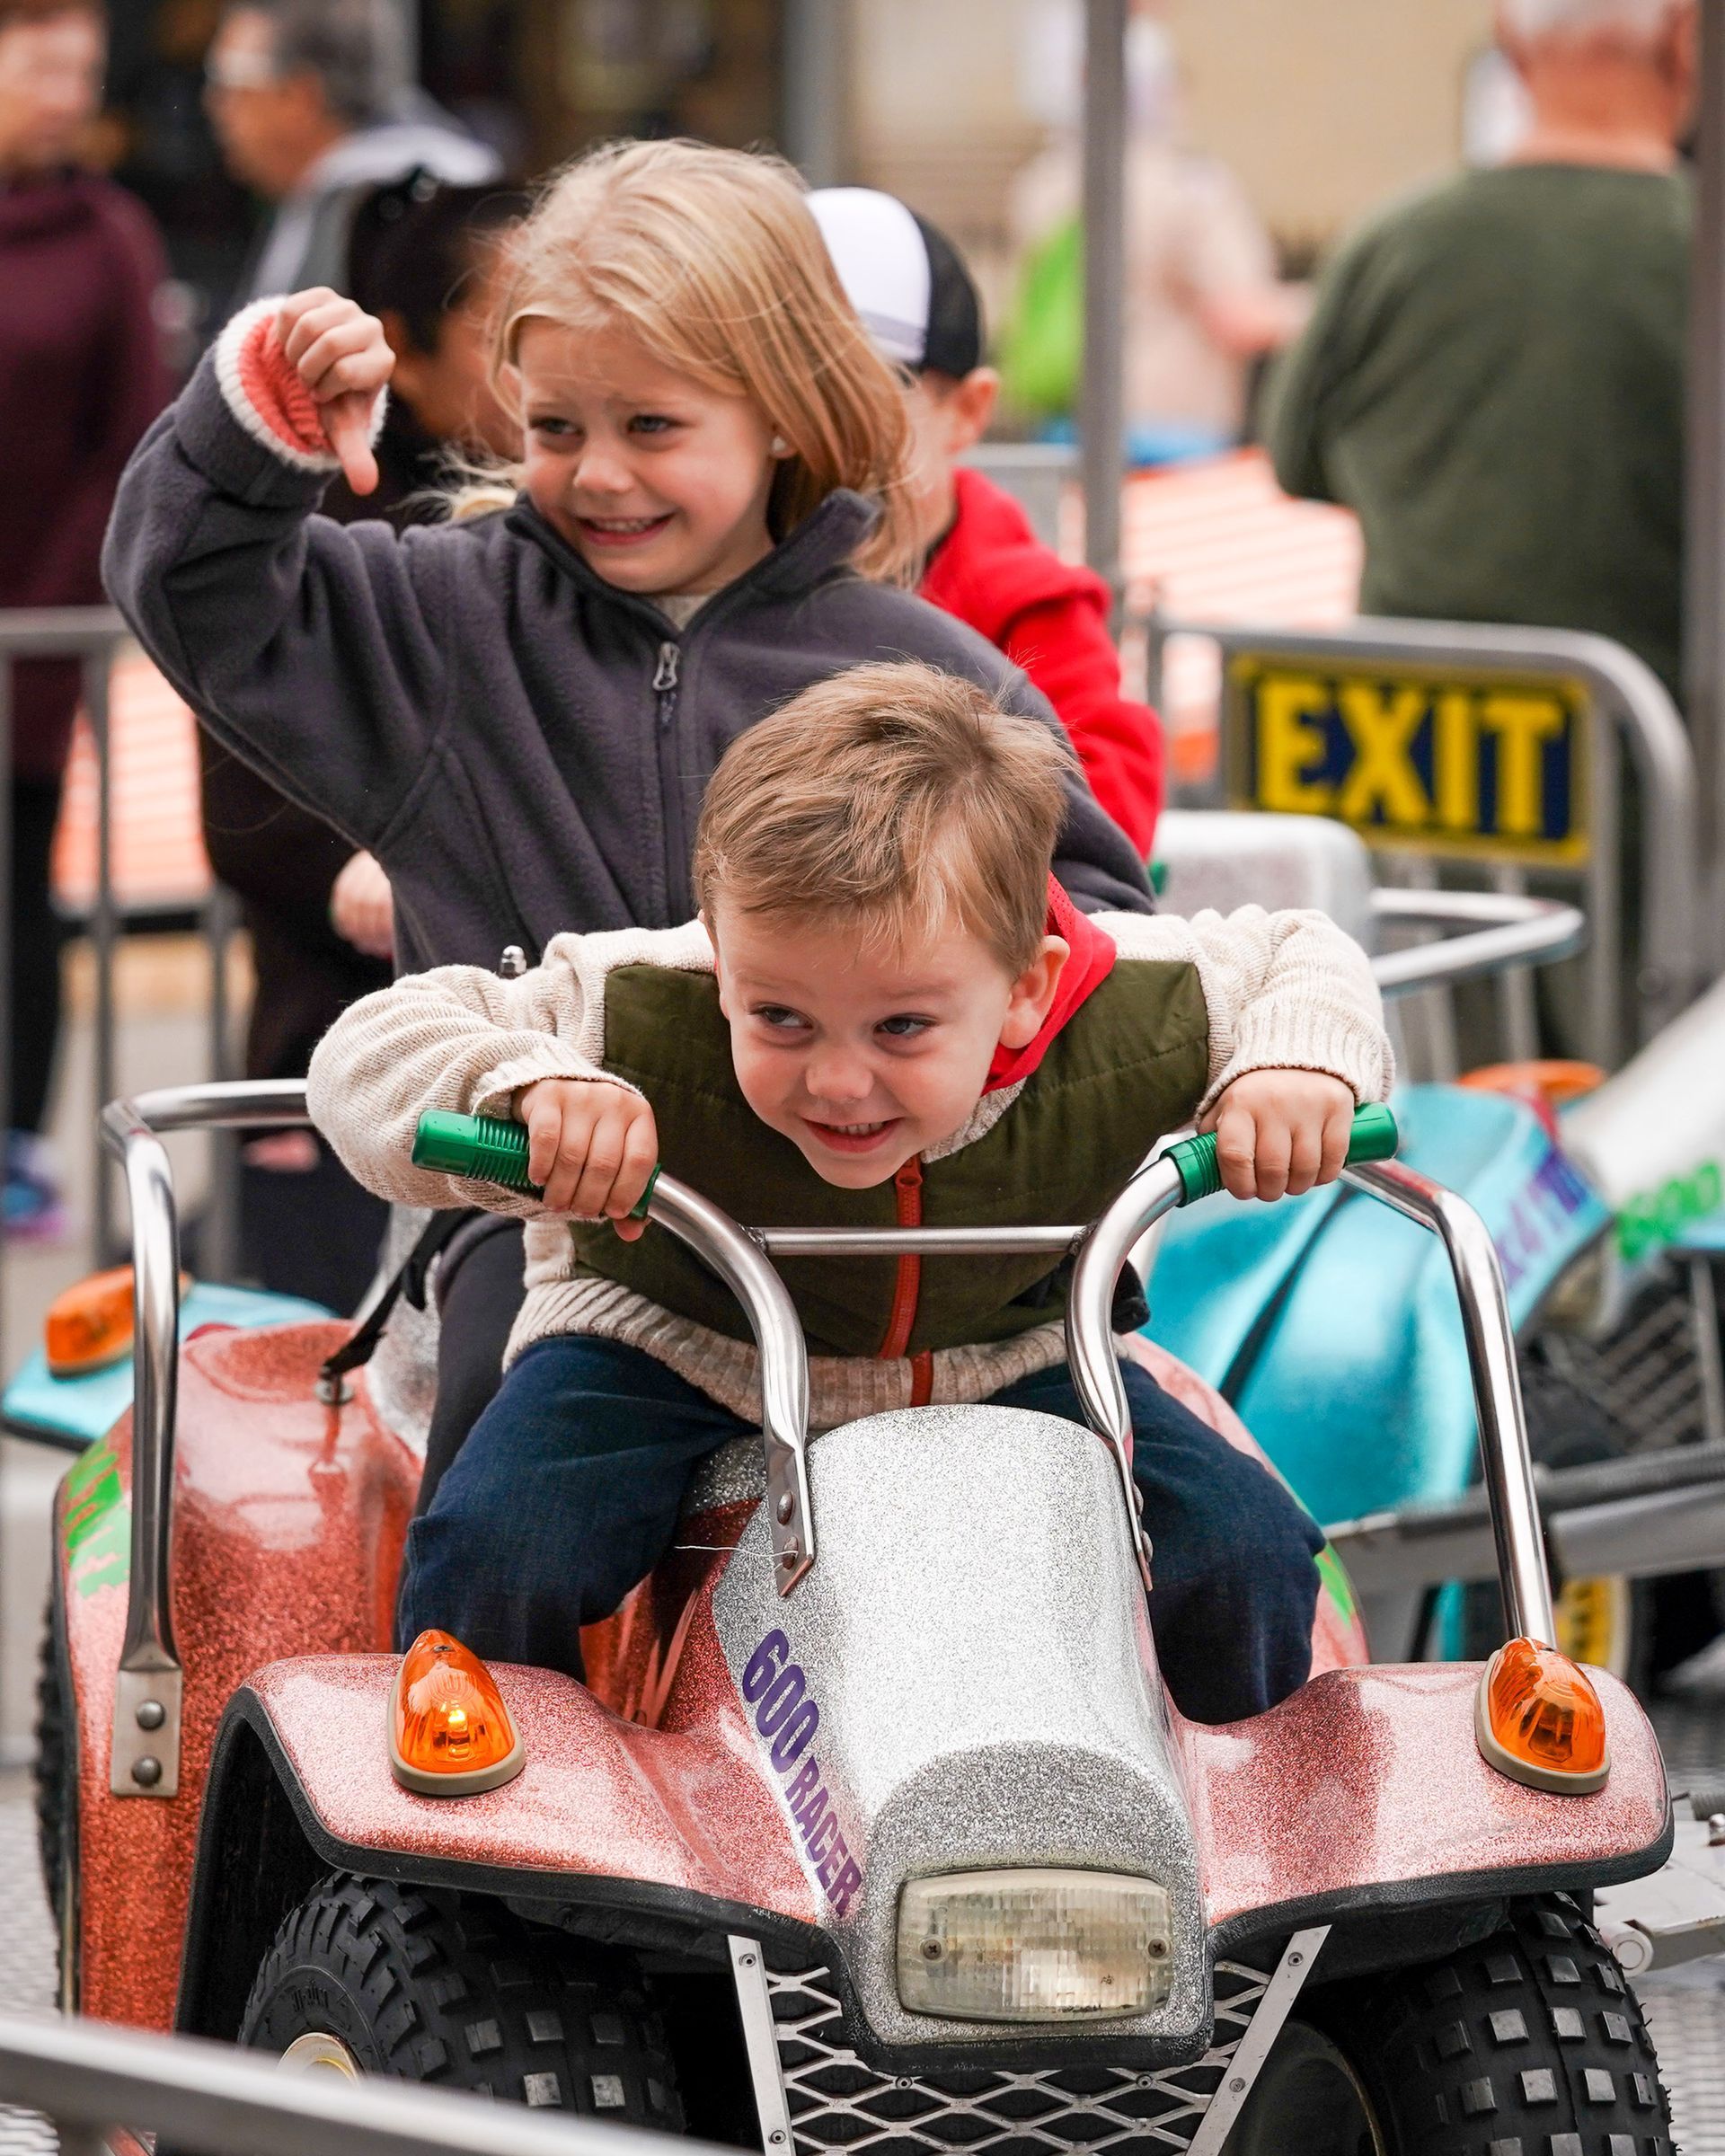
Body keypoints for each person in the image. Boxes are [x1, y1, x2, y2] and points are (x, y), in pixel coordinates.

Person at [102, 135, 1151, 1499]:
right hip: (549, 1232)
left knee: (1144, 1498)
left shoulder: (933, 669)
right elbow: (193, 595)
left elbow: (1092, 934)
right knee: (506, 1482)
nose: (599, 475)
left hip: (893, 1231)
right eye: (554, 430)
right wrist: (260, 428)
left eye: (652, 427)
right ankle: (476, 1701)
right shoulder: (445, 623)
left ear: (783, 408)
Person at [307, 661, 1393, 1723]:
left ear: (1026, 988)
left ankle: (1222, 1857)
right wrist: (532, 1084)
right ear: (721, 956)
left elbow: (1304, 953)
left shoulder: (1136, 1004)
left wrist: (1292, 1064)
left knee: (1243, 1546)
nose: (836, 1079)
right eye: (778, 1017)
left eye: (903, 1027)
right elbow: (365, 1054)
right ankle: (484, 1866)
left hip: (1012, 1354)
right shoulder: (634, 1001)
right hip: (675, 1348)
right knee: (500, 1548)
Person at [198, 175, 523, 1310]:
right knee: (342, 1399)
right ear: (405, 350)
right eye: (508, 330)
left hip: (544, 1113)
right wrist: (363, 873)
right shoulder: (327, 532)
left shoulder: (597, 543)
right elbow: (242, 790)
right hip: (344, 1081)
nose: (543, 370)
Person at [1265, 0, 1694, 702]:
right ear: (1683, 38)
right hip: (1658, 771)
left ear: (1509, 40)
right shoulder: (1699, 257)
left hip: (1403, 749)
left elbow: (1296, 459)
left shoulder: (1391, 244)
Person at [809, 185, 1164, 857]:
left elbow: (1101, 834)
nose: (816, 437)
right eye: (774, 396)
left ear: (968, 412)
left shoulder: (1030, 614)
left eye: (861, 397)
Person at [0, 0, 169, 1235]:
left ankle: (14, 1140)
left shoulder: (108, 235)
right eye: (45, 65)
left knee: (17, 884)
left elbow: (128, 445)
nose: (69, 91)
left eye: (84, 71)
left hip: (32, 628)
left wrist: (48, 605)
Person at [1001, 5, 1305, 463]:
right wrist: (1331, 305)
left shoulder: (1042, 181)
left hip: (1067, 424)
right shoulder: (1188, 185)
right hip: (1173, 432)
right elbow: (1238, 315)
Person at [202, 0, 498, 313]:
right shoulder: (447, 175)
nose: (214, 108)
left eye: (230, 88)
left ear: (300, 96)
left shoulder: (381, 207)